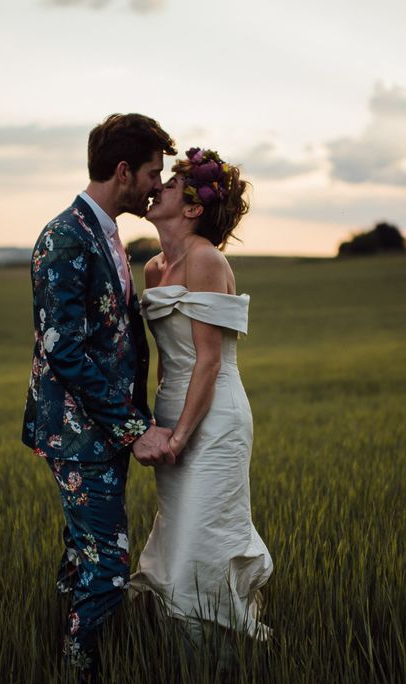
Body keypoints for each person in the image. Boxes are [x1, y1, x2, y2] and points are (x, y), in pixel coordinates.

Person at [21, 113, 177, 684]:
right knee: (109, 569)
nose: (156, 186)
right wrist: (134, 427)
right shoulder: (63, 238)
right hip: (77, 432)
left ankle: (63, 660)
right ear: (122, 172)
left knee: (83, 558)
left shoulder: (108, 232)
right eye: (151, 174)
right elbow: (62, 350)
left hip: (100, 430)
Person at [129, 147, 273, 644]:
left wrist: (181, 436)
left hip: (213, 420)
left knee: (203, 538)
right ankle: (182, 659)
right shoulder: (153, 268)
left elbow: (208, 360)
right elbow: (167, 361)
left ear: (191, 209)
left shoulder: (206, 258)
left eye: (169, 184)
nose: (157, 187)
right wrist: (156, 425)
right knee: (177, 536)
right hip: (173, 412)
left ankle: (222, 661)